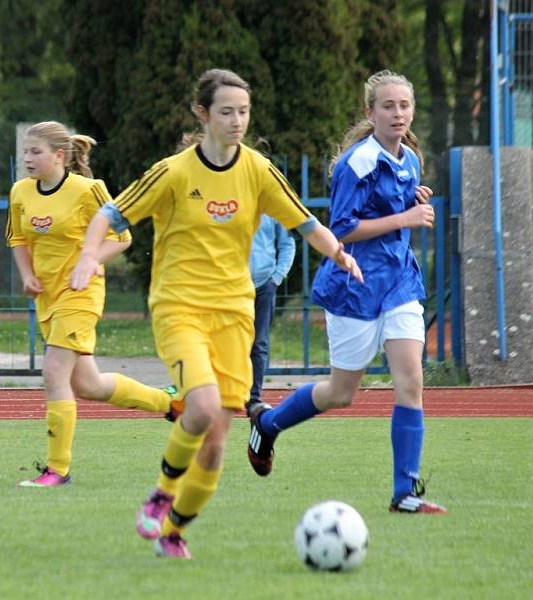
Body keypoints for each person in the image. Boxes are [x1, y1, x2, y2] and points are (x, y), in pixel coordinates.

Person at [70, 68, 362, 559]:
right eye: (226, 111)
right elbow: (109, 215)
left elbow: (305, 221)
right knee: (200, 409)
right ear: (202, 114)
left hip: (234, 314)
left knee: (216, 442)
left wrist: (338, 253)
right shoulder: (174, 173)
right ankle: (162, 492)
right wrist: (85, 255)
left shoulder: (258, 171)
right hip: (179, 307)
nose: (237, 121)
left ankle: (175, 531)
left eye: (244, 111)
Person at [246, 70, 447, 515]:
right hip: (354, 285)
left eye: (405, 106)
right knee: (341, 392)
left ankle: (404, 493)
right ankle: (269, 424)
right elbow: (341, 230)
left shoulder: (409, 158)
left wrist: (410, 200)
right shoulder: (356, 162)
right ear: (369, 112)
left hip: (398, 282)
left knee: (411, 382)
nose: (398, 114)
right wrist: (404, 219)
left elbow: (393, 203)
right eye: (389, 106)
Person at [5, 121, 180, 488]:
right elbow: (18, 238)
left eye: (35, 152)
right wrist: (26, 275)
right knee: (88, 384)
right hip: (48, 297)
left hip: (81, 294)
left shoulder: (89, 190)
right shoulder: (20, 192)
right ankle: (171, 404)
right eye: (25, 151)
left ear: (59, 155)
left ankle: (58, 469)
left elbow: (123, 236)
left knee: (54, 374)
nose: (27, 158)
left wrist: (90, 261)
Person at [245, 215, 296, 418]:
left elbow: (288, 243)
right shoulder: (230, 199)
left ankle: (254, 399)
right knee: (228, 341)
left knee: (259, 343)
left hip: (264, 283)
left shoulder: (272, 204)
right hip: (231, 284)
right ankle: (227, 395)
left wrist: (276, 277)